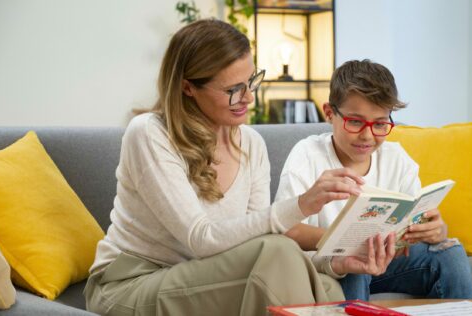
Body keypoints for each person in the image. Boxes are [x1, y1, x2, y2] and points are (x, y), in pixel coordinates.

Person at [83, 19, 358, 316]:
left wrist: (334, 260)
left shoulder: (251, 144)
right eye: (233, 89)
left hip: (205, 275)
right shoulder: (149, 134)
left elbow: (256, 239)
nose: (249, 97)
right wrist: (301, 205)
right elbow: (200, 239)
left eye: (252, 81)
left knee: (327, 285)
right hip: (131, 282)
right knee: (279, 253)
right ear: (188, 87)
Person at [275, 59, 472, 301]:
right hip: (334, 263)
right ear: (329, 113)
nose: (367, 135)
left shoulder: (397, 158)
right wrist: (349, 242)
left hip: (389, 260)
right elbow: (287, 230)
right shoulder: (307, 155)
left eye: (380, 124)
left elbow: (416, 223)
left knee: (451, 253)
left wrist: (436, 231)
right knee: (358, 263)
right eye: (356, 122)